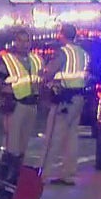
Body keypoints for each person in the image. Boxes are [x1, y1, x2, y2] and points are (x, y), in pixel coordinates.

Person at [0, 28, 43, 199]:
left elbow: (43, 80)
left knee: (21, 152)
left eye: (27, 41)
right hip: (16, 106)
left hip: (31, 106)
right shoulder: (7, 60)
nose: (24, 44)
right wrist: (5, 91)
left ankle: (13, 190)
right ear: (15, 42)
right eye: (20, 41)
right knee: (11, 151)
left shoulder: (36, 60)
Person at [39, 23, 90, 186]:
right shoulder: (83, 53)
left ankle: (43, 174)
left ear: (62, 34)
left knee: (54, 136)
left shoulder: (62, 53)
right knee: (71, 137)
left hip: (64, 99)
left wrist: (43, 73)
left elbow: (49, 73)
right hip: (78, 97)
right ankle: (68, 173)